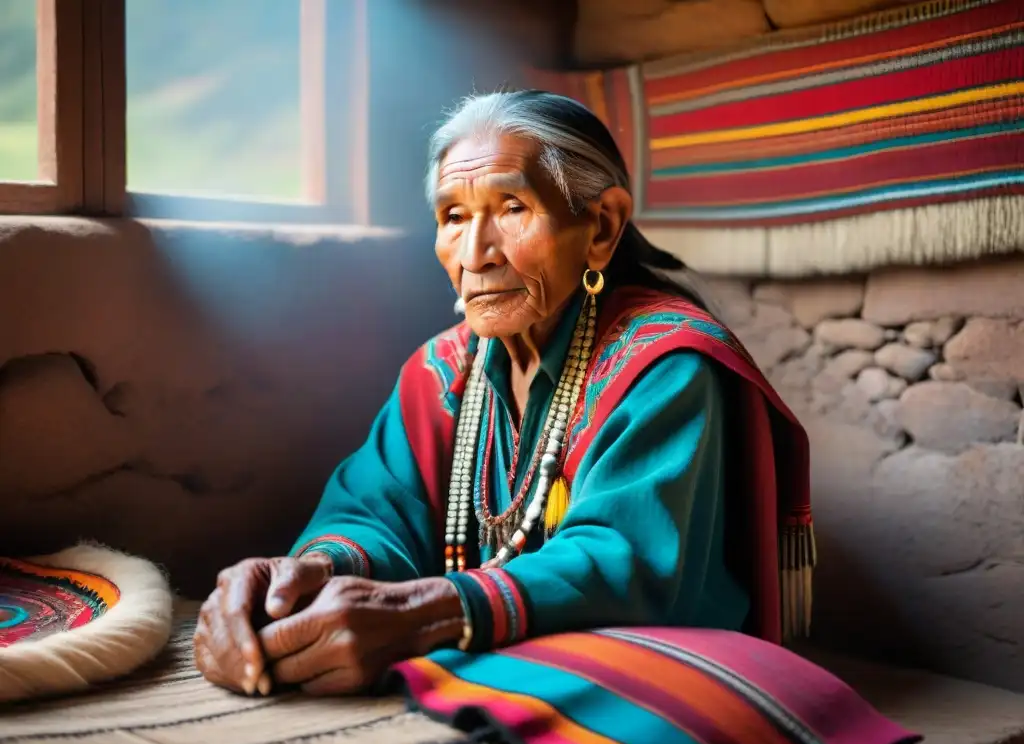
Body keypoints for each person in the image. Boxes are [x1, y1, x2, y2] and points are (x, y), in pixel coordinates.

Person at [193, 90, 815, 699]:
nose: (475, 254)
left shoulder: (663, 365)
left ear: (600, 227)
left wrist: (429, 610)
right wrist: (309, 578)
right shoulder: (441, 372)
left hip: (651, 679)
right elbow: (374, 512)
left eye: (512, 207)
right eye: (454, 217)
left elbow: (624, 558)